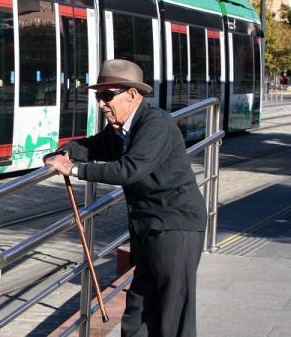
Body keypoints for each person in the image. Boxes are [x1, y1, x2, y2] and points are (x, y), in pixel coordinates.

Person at [45, 59, 206, 337]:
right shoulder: (121, 129)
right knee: (139, 310)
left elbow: (130, 170)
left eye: (107, 96)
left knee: (172, 311)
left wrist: (73, 169)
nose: (101, 104)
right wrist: (66, 151)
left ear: (132, 95)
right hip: (148, 227)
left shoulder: (155, 124)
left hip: (175, 226)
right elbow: (96, 145)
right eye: (99, 96)